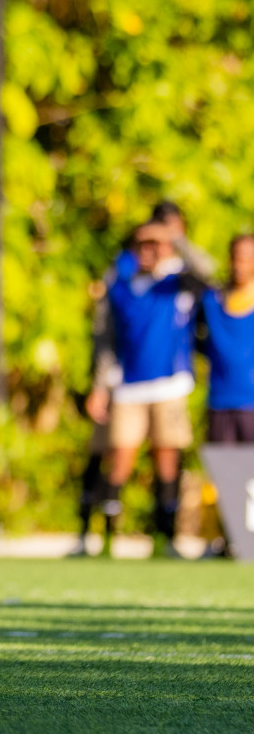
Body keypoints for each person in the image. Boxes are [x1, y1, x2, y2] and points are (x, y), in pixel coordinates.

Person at [86, 221, 209, 558]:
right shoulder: (121, 285)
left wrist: (176, 238)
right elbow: (107, 340)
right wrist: (100, 385)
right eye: (144, 244)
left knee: (167, 460)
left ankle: (165, 537)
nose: (150, 250)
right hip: (128, 386)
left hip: (169, 385)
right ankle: (108, 535)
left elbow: (209, 273)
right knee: (121, 458)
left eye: (157, 244)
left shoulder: (176, 282)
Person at [201, 234, 254, 444]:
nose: (240, 265)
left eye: (248, 258)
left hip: (251, 404)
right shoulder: (212, 300)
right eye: (236, 257)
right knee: (225, 473)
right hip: (220, 401)